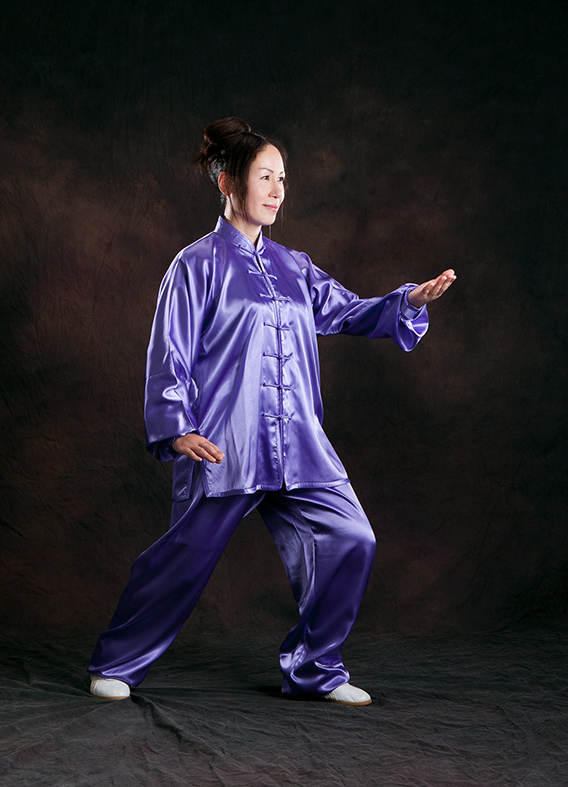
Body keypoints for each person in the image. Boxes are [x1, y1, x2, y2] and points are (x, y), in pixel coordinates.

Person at [88, 117, 456, 706]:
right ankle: (117, 663)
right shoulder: (196, 264)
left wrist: (408, 299)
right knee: (184, 559)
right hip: (224, 444)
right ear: (227, 182)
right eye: (265, 176)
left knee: (351, 538)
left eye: (283, 178)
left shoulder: (294, 265)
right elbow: (169, 351)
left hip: (298, 443)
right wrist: (178, 427)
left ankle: (315, 669)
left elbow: (347, 311)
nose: (278, 190)